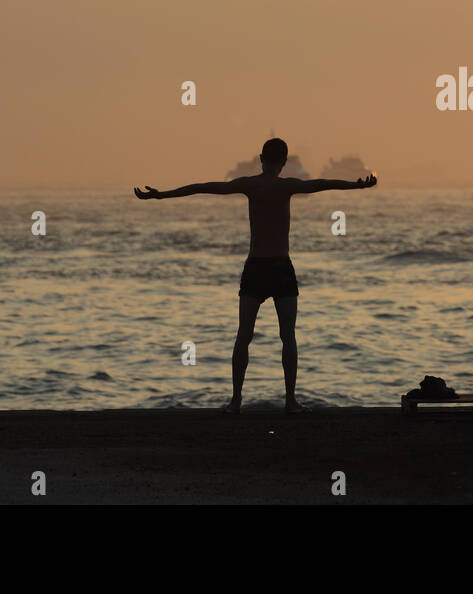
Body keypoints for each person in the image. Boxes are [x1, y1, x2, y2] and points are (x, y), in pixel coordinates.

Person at [134, 137, 377, 415]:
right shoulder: (288, 186)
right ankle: (290, 401)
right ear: (284, 163)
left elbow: (202, 187)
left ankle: (236, 402)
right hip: (281, 267)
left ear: (261, 158)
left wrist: (161, 195)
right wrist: (358, 185)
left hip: (257, 267)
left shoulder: (251, 184)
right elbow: (323, 183)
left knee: (244, 336)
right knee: (288, 336)